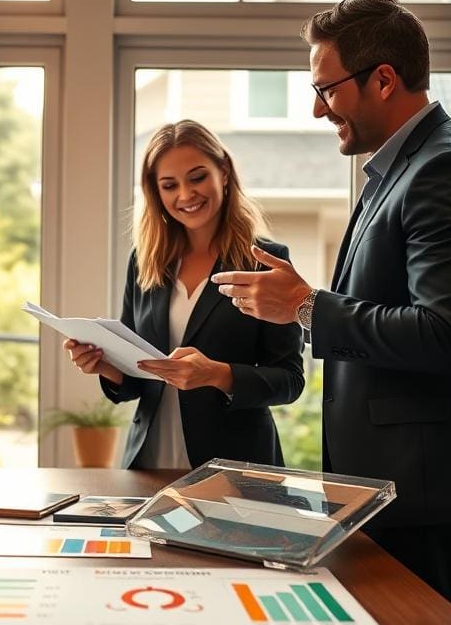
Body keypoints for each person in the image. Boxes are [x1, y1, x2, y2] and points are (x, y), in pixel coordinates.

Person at [212, 0, 451, 608]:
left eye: (327, 89)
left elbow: (442, 335)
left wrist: (305, 308)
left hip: (421, 498)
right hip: (386, 491)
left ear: (383, 79)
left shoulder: (447, 171)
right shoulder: (401, 168)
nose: (318, 108)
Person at [63, 120, 305, 469]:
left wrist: (216, 374)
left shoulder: (264, 262)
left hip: (235, 468)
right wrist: (108, 368)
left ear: (223, 172)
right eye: (169, 185)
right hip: (149, 464)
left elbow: (291, 380)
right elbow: (138, 379)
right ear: (156, 193)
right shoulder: (145, 263)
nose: (185, 195)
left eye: (197, 177)